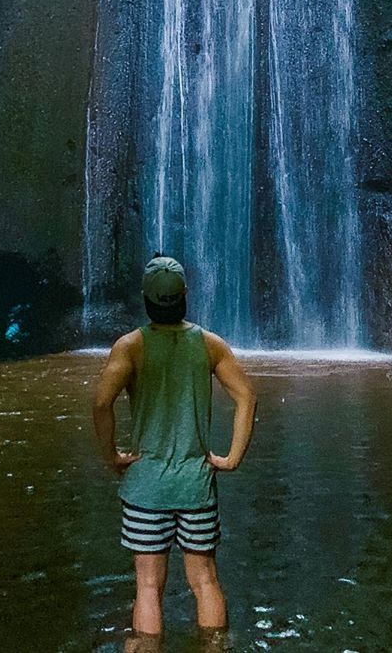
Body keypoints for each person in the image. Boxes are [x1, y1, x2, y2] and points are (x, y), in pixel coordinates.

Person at [92, 255, 258, 643]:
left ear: (145, 298)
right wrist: (232, 457)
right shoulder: (210, 345)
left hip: (146, 485)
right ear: (185, 294)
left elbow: (101, 404)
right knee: (204, 581)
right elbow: (247, 397)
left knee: (148, 586)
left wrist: (111, 455)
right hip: (196, 485)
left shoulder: (130, 347)